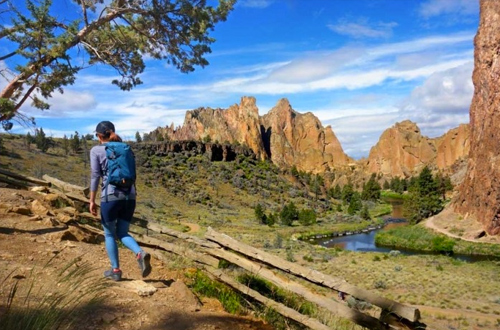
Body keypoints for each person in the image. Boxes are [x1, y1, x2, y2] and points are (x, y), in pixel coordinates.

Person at [89, 120, 151, 281]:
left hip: (111, 197)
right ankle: (139, 253)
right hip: (130, 197)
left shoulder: (96, 150)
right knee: (122, 232)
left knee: (109, 234)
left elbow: (95, 176)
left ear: (99, 136)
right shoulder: (125, 149)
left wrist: (91, 200)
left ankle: (115, 270)